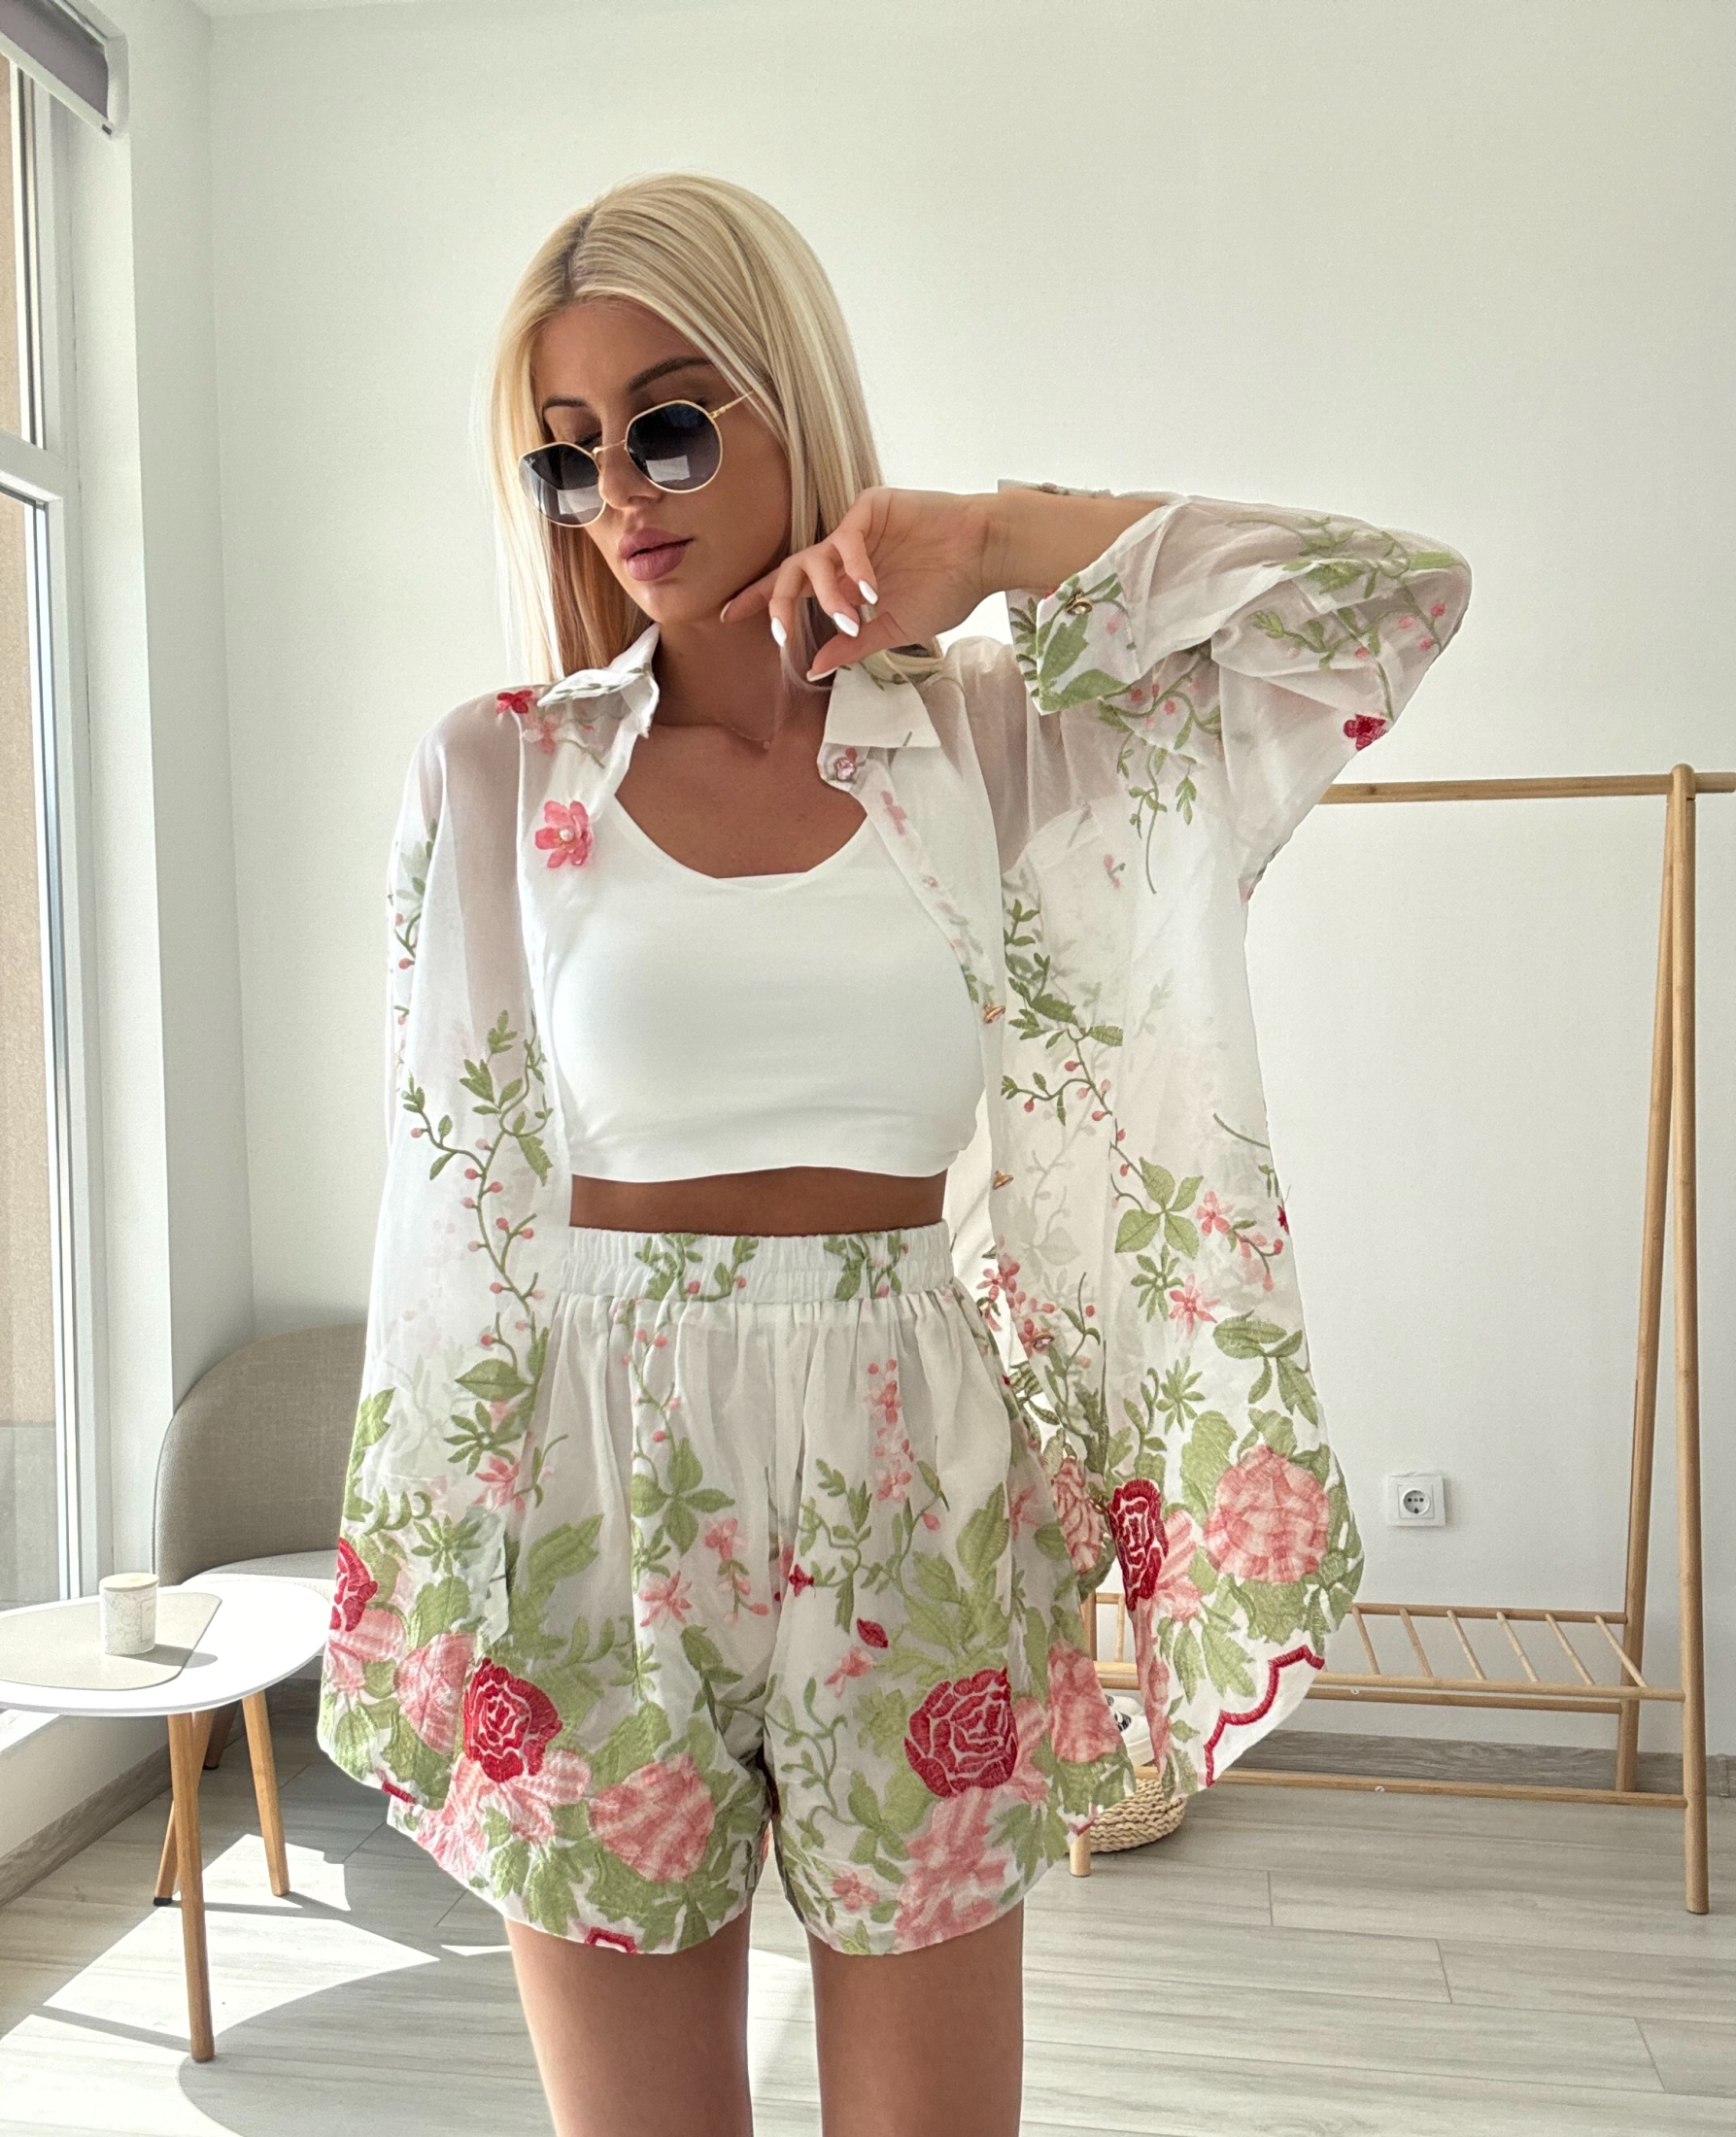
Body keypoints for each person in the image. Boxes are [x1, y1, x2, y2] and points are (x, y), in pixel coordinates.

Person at [317, 170, 1472, 2137]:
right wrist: (430, 1553)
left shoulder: (1001, 742)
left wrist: (999, 539)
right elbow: (452, 1208)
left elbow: (1387, 600)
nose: (623, 497)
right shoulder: (503, 765)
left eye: (670, 426)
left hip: (916, 1457)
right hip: (596, 1473)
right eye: (569, 455)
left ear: (791, 397)